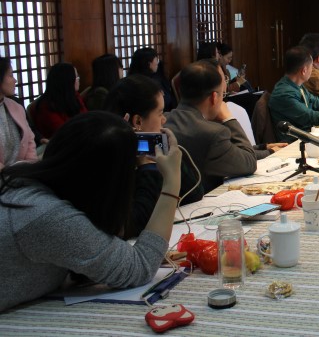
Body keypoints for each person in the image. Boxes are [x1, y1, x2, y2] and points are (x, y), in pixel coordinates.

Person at [0, 111, 181, 312]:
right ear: (106, 180)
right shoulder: (47, 216)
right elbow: (141, 267)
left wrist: (115, 138)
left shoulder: (24, 178)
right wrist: (172, 182)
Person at [103, 75, 204, 236]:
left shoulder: (153, 153)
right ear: (138, 122)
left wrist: (174, 157)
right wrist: (146, 166)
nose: (164, 120)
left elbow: (194, 194)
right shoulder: (109, 159)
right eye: (160, 113)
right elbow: (137, 223)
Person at [164, 60, 273, 192]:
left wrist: (266, 149)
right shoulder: (213, 133)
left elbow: (227, 152)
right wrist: (229, 118)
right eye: (223, 95)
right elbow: (249, 162)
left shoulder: (164, 120)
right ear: (214, 97)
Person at [31, 62, 87, 139]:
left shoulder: (74, 96)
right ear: (67, 81)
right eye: (76, 77)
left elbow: (86, 118)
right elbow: (64, 132)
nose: (79, 79)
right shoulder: (46, 107)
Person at [0, 57, 37, 170]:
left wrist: (31, 166)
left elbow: (30, 140)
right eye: (11, 75)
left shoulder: (16, 107)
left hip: (21, 172)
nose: (15, 80)